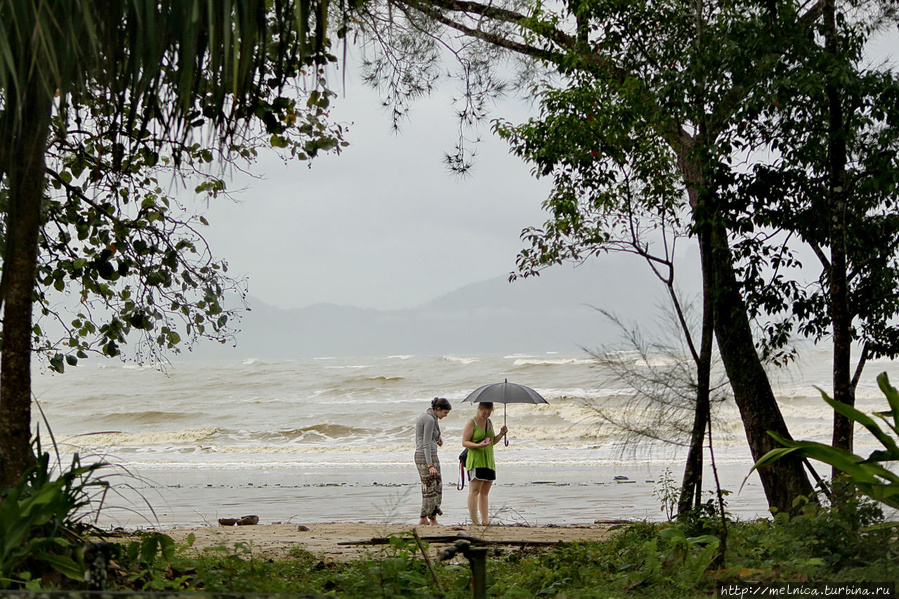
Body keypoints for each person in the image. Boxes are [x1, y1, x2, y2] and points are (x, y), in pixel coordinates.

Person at [462, 401, 508, 525]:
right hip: (476, 460)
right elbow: (465, 442)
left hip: (489, 461)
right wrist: (478, 445)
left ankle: (485, 520)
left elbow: (492, 441)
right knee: (474, 491)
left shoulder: (489, 422)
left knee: (485, 492)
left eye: (489, 413)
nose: (486, 415)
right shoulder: (471, 422)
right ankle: (475, 520)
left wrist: (501, 434)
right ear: (479, 409)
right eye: (484, 412)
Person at [414, 397, 452, 525]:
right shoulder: (429, 419)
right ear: (438, 409)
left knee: (433, 486)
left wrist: (437, 437)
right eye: (445, 413)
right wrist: (430, 465)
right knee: (431, 487)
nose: (445, 416)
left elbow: (428, 436)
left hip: (428, 454)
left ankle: (424, 518)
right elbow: (425, 443)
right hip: (425, 455)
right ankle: (432, 519)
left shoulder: (430, 417)